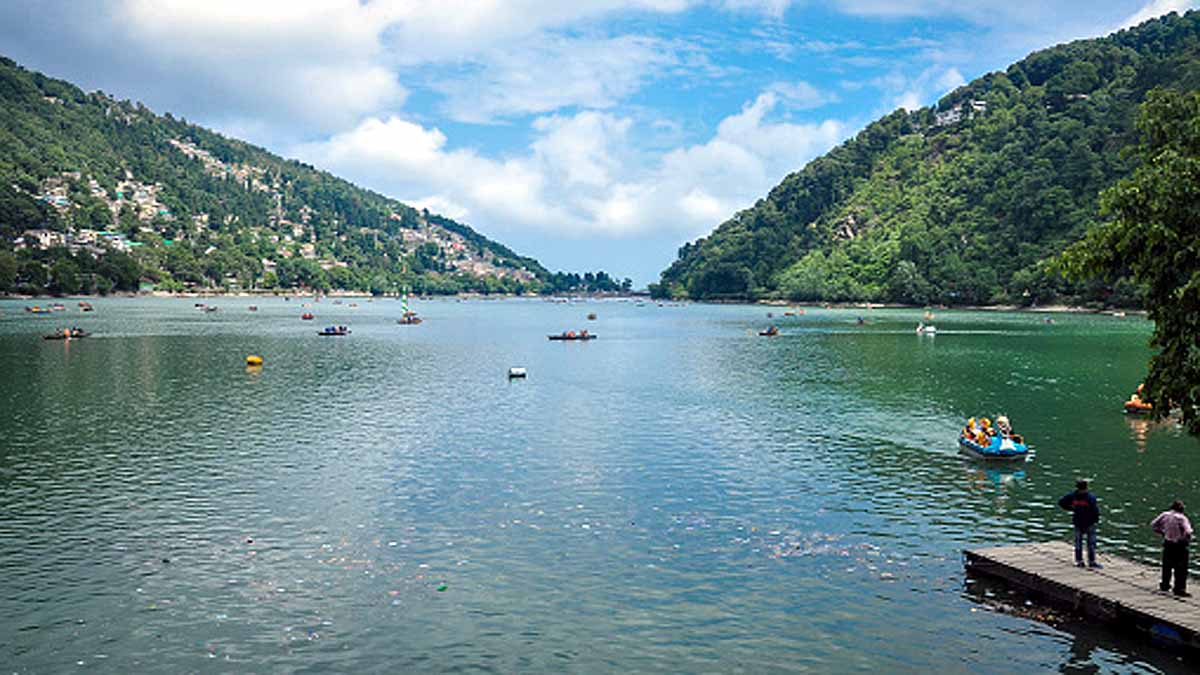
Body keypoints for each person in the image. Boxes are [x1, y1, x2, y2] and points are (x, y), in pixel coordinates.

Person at [1151, 500, 1193, 597]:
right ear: (1181, 509)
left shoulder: (1165, 515)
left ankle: (1165, 585)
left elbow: (1153, 525)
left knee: (1167, 565)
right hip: (1179, 545)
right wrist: (1185, 539)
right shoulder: (1182, 518)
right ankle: (1179, 589)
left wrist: (1162, 532)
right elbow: (1188, 532)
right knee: (1181, 568)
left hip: (1168, 543)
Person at [1059, 479, 1102, 568]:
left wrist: (1071, 508)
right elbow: (1095, 511)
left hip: (1080, 522)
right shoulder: (1090, 497)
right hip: (1087, 523)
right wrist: (1096, 520)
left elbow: (1061, 503)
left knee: (1081, 543)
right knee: (1089, 543)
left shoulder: (1073, 496)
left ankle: (1081, 561)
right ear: (1086, 487)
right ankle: (1089, 561)